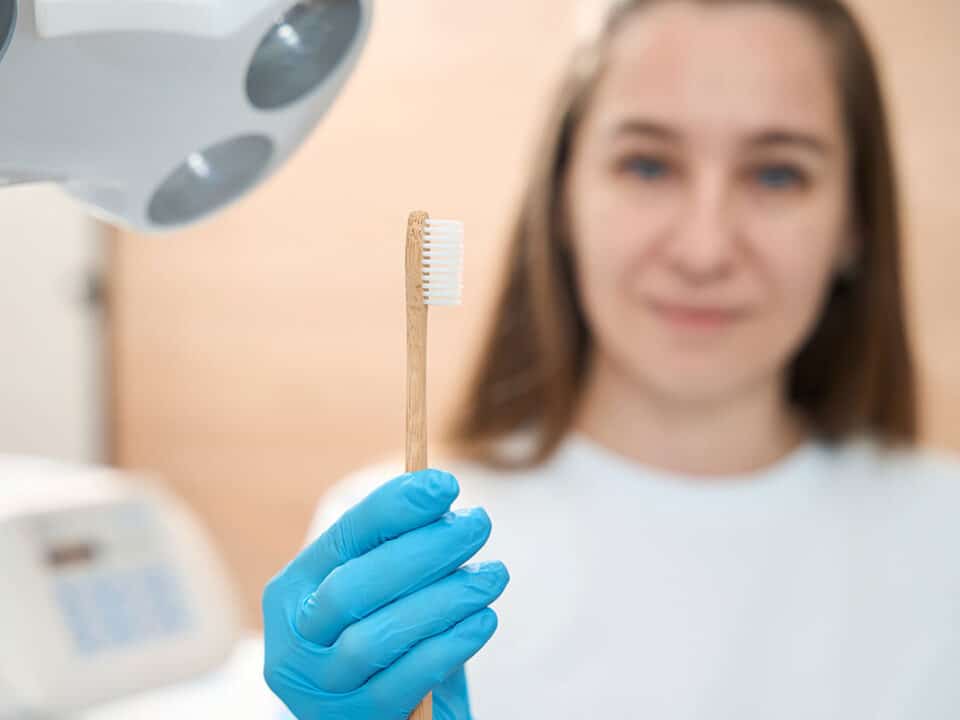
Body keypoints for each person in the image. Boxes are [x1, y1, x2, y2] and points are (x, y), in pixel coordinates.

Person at [262, 0, 960, 717]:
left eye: (778, 175)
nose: (704, 249)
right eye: (648, 164)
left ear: (855, 224)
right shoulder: (393, 560)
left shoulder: (948, 542)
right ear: (561, 198)